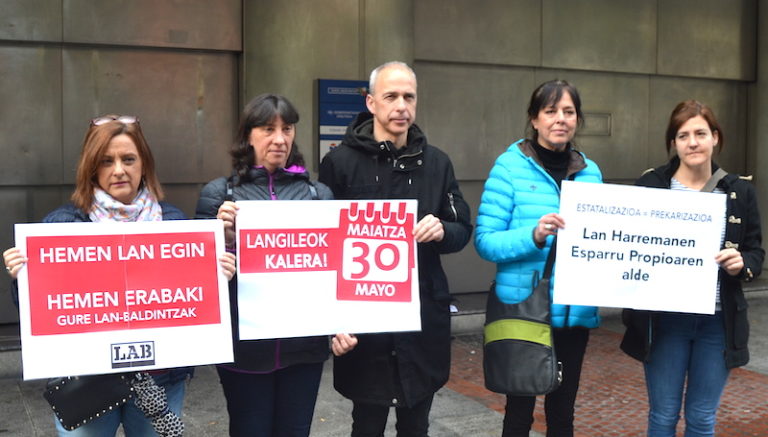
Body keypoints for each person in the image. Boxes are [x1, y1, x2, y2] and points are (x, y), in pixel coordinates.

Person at [2, 114, 237, 436]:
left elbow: (192, 301)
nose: (118, 170)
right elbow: (40, 312)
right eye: (106, 161)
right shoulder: (61, 226)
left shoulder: (173, 223)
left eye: (128, 159)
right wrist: (22, 279)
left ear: (144, 164)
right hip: (87, 380)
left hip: (160, 377)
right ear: (90, 167)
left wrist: (217, 276)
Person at [318, 61, 473, 437]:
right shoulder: (339, 163)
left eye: (409, 97)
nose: (401, 105)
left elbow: (462, 228)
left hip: (421, 321)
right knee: (366, 425)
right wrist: (331, 322)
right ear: (371, 103)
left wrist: (441, 229)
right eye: (391, 96)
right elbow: (323, 249)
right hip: (364, 326)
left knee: (417, 424)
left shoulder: (437, 163)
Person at [195, 93, 357, 437]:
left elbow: (333, 271)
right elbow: (198, 282)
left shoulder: (318, 195)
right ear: (248, 135)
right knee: (249, 429)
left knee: (295, 431)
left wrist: (341, 323)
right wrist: (221, 239)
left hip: (304, 349)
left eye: (287, 128)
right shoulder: (219, 194)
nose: (280, 138)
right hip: (244, 350)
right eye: (268, 128)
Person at [620, 100, 764, 436]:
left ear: (715, 137)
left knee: (701, 418)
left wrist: (742, 264)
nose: (692, 142)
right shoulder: (652, 185)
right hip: (665, 319)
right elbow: (628, 243)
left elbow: (756, 251)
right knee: (663, 415)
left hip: (717, 321)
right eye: (683, 135)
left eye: (700, 133)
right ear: (674, 142)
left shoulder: (740, 191)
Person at [474, 79, 602, 437]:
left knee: (563, 414)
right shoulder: (509, 167)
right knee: (518, 415)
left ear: (577, 119)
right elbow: (485, 241)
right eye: (550, 111)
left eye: (568, 111)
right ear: (534, 118)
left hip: (572, 312)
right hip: (524, 309)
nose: (560, 119)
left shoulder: (591, 172)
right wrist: (532, 236)